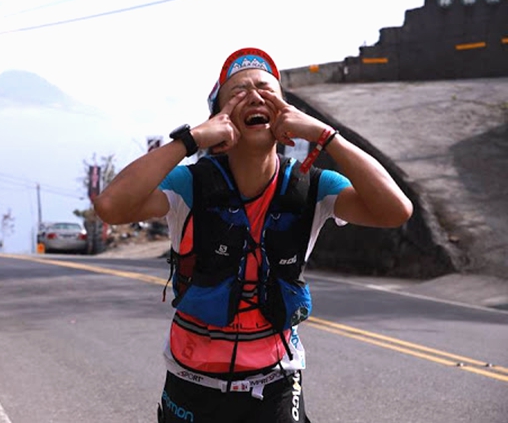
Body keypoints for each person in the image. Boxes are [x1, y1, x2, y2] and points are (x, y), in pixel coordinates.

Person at [93, 47, 413, 423]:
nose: (255, 96)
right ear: (220, 118)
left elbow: (396, 211)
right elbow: (111, 206)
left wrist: (327, 137)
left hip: (277, 381)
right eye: (239, 92)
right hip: (192, 382)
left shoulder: (312, 188)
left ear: (286, 113)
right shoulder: (190, 185)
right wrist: (191, 140)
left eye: (265, 88)